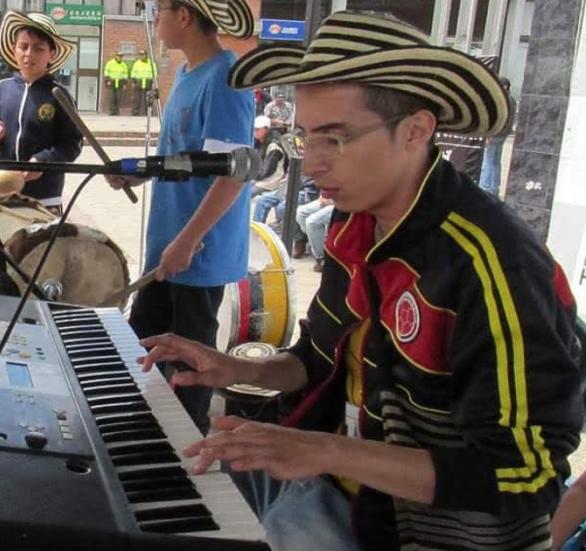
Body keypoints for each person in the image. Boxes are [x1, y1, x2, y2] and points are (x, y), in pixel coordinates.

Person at [142, 11, 584, 549]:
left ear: (416, 131)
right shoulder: (356, 223)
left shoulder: (493, 262)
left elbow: (527, 475)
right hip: (335, 497)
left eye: (337, 139)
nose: (315, 164)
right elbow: (315, 363)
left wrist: (324, 451)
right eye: (307, 139)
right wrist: (234, 367)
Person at [107, 0, 256, 434]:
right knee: (142, 345)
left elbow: (233, 175)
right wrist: (136, 173)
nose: (156, 21)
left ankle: (187, 448)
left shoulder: (226, 79)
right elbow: (183, 157)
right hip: (168, 246)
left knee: (191, 364)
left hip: (197, 252)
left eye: (159, 12)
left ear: (185, 16)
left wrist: (188, 240)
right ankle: (144, 436)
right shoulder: (188, 73)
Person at [0, 11, 83, 212]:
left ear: (51, 54)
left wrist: (43, 161)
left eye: (38, 48)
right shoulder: (2, 89)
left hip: (46, 199)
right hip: (5, 195)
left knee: (44, 244)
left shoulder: (59, 95)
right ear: (14, 49)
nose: (29, 54)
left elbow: (72, 145)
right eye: (23, 46)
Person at [479, 77, 516, 195]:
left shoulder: (500, 100)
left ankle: (485, 187)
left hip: (495, 134)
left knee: (488, 160)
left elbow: (494, 118)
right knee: (496, 161)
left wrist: (489, 134)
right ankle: (494, 187)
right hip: (503, 134)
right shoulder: (512, 100)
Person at [294, 197, 333, 272]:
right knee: (300, 213)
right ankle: (315, 241)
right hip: (331, 197)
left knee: (312, 222)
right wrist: (323, 196)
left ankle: (322, 258)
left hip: (346, 202)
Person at [130, 49, 157, 116]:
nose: (141, 56)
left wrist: (153, 81)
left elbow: (155, 73)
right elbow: (133, 72)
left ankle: (148, 113)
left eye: (143, 55)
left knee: (148, 98)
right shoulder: (137, 63)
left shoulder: (151, 63)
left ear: (146, 55)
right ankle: (135, 113)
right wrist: (133, 81)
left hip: (148, 82)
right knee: (137, 98)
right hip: (138, 82)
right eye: (140, 55)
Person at [103, 51, 129, 116]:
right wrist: (108, 80)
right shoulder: (110, 63)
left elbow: (125, 74)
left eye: (121, 56)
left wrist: (124, 84)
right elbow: (106, 72)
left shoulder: (124, 64)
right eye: (119, 56)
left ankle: (117, 112)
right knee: (112, 98)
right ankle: (111, 112)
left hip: (120, 82)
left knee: (118, 98)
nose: (120, 58)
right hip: (112, 82)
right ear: (116, 56)